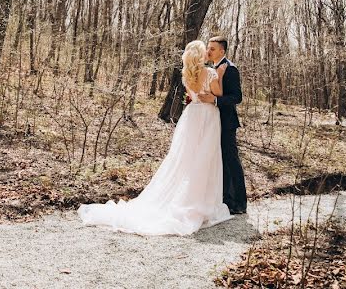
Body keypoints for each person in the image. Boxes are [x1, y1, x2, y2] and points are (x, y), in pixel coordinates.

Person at [77, 40, 232, 235]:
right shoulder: (209, 73)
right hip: (208, 116)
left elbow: (193, 96)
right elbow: (218, 93)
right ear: (201, 55)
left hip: (192, 116)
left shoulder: (186, 75)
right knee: (205, 157)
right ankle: (200, 202)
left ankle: (187, 197)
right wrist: (220, 75)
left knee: (185, 158)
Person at [195, 36, 247, 214]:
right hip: (210, 122)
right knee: (218, 160)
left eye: (212, 49)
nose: (208, 52)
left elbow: (237, 97)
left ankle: (239, 203)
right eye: (208, 48)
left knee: (231, 159)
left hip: (226, 121)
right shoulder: (209, 70)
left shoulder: (231, 69)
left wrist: (215, 100)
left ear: (222, 51)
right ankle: (224, 199)